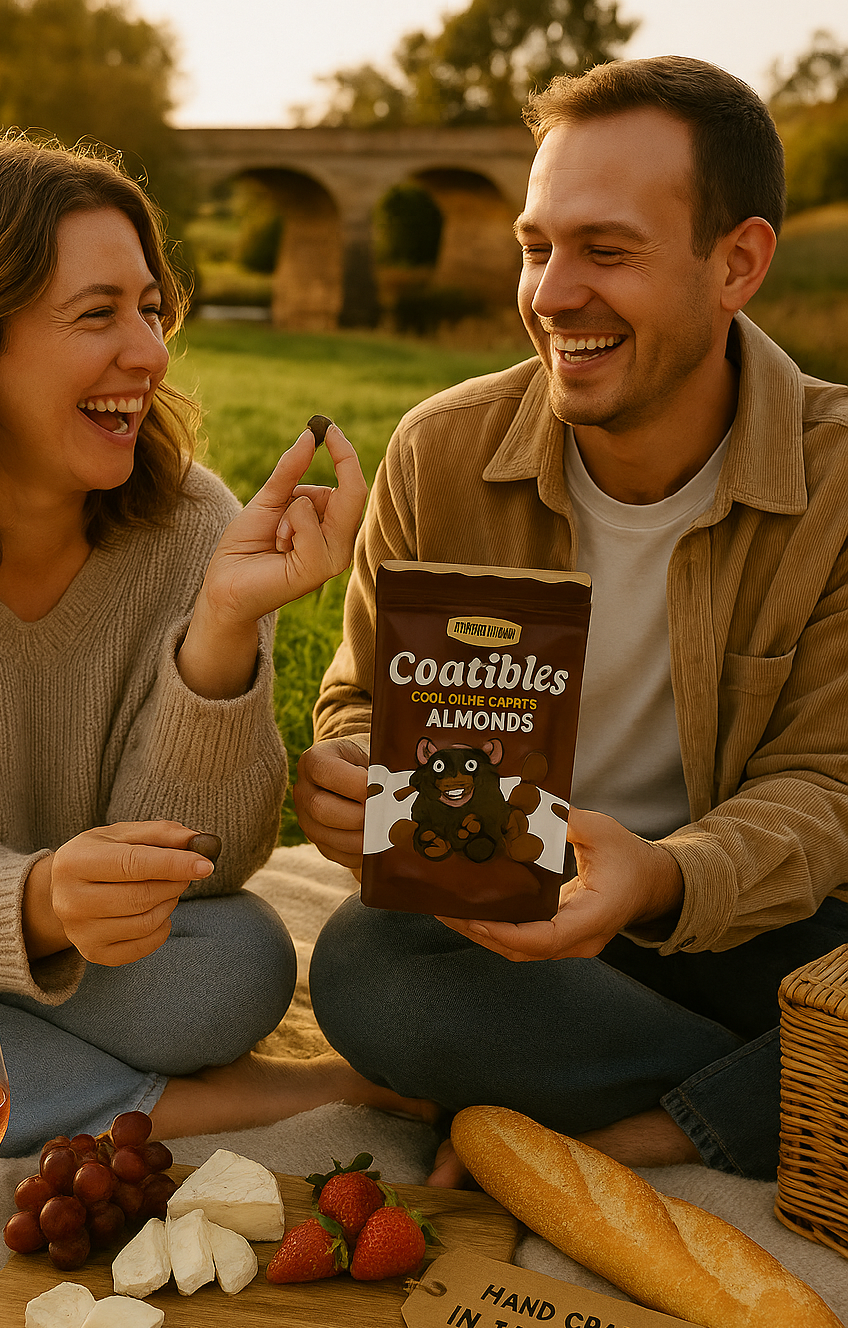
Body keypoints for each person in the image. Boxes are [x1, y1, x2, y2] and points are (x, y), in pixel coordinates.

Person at [0, 135, 433, 1160]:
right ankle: (196, 1105)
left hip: (125, 961)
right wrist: (36, 901)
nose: (150, 352)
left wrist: (223, 631)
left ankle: (26, 1071)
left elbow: (211, 859)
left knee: (236, 964)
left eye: (150, 309)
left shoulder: (195, 522)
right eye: (97, 314)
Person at [296, 56, 848, 1187]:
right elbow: (359, 695)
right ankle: (791, 1096)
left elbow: (827, 790)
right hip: (508, 904)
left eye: (606, 251)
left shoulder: (837, 473)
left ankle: (645, 1130)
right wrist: (350, 766)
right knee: (364, 967)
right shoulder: (439, 451)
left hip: (757, 917)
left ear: (736, 263)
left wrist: (655, 876)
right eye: (537, 248)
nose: (549, 296)